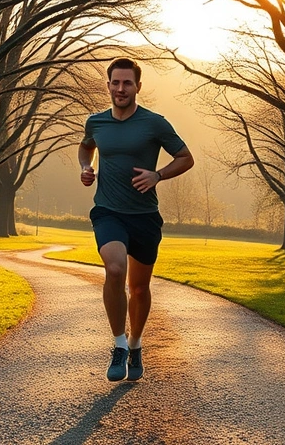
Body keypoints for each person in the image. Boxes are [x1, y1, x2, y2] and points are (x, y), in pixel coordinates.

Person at [79, 57, 194, 382]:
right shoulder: (96, 122)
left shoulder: (155, 123)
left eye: (127, 83)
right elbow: (85, 148)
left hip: (144, 216)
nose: (120, 88)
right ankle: (118, 345)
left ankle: (135, 343)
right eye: (115, 82)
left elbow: (186, 158)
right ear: (108, 85)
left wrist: (158, 175)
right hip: (108, 211)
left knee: (140, 289)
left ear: (137, 87)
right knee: (115, 269)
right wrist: (85, 169)